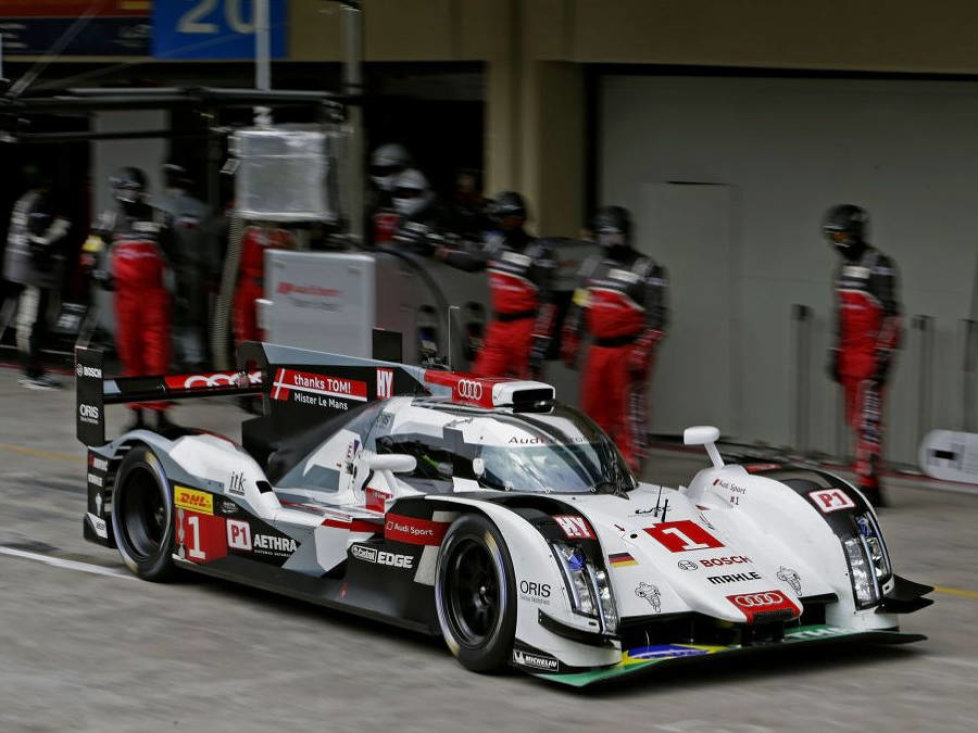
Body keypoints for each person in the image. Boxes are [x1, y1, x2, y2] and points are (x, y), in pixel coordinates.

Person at [562, 206, 668, 473]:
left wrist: (643, 349)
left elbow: (658, 319)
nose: (609, 242)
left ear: (626, 235)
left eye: (614, 236)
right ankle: (593, 468)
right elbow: (580, 302)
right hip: (598, 351)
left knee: (629, 415)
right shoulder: (591, 266)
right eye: (604, 236)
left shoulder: (647, 269)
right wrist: (572, 334)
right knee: (592, 413)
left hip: (627, 352)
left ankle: (631, 468)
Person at [823, 204, 902, 508]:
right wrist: (835, 352)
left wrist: (883, 356)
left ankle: (868, 485)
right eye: (833, 236)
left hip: (871, 355)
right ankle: (875, 486)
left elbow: (892, 315)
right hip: (849, 355)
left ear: (856, 233)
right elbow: (841, 315)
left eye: (842, 235)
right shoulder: (842, 270)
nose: (838, 242)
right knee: (855, 420)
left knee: (868, 422)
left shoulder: (879, 264)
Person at [436, 191, 557, 379]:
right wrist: (441, 253)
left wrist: (541, 340)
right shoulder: (495, 246)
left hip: (525, 330)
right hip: (498, 328)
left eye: (512, 219)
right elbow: (472, 261)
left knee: (528, 389)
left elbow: (548, 300)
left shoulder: (538, 251)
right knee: (482, 380)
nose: (507, 224)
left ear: (522, 219)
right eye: (503, 219)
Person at [92, 167, 175, 431]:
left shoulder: (159, 217)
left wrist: (180, 293)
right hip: (126, 299)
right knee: (131, 356)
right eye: (128, 190)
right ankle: (137, 415)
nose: (132, 195)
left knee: (158, 357)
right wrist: (94, 270)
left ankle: (160, 415)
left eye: (136, 190)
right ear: (118, 192)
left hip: (154, 298)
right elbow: (91, 245)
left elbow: (177, 257)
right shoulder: (109, 219)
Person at [3, 166, 71, 389]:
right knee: (34, 322)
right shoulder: (39, 201)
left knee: (27, 320)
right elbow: (39, 241)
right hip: (34, 273)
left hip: (21, 271)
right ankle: (32, 373)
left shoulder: (24, 200)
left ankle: (32, 370)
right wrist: (61, 229)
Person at [155, 162, 216, 370]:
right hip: (195, 270)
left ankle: (174, 360)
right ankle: (194, 358)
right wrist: (213, 272)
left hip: (168, 269)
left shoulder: (159, 207)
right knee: (193, 317)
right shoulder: (203, 210)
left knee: (168, 316)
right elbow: (211, 247)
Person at [232, 223, 294, 347]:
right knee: (244, 335)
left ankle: (262, 365)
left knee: (266, 336)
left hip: (272, 287)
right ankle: (247, 365)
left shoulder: (285, 236)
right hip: (248, 284)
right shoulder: (248, 232)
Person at [368, 143, 412, 245]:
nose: (386, 176)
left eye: (392, 170)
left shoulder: (417, 195)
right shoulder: (371, 198)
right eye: (380, 171)